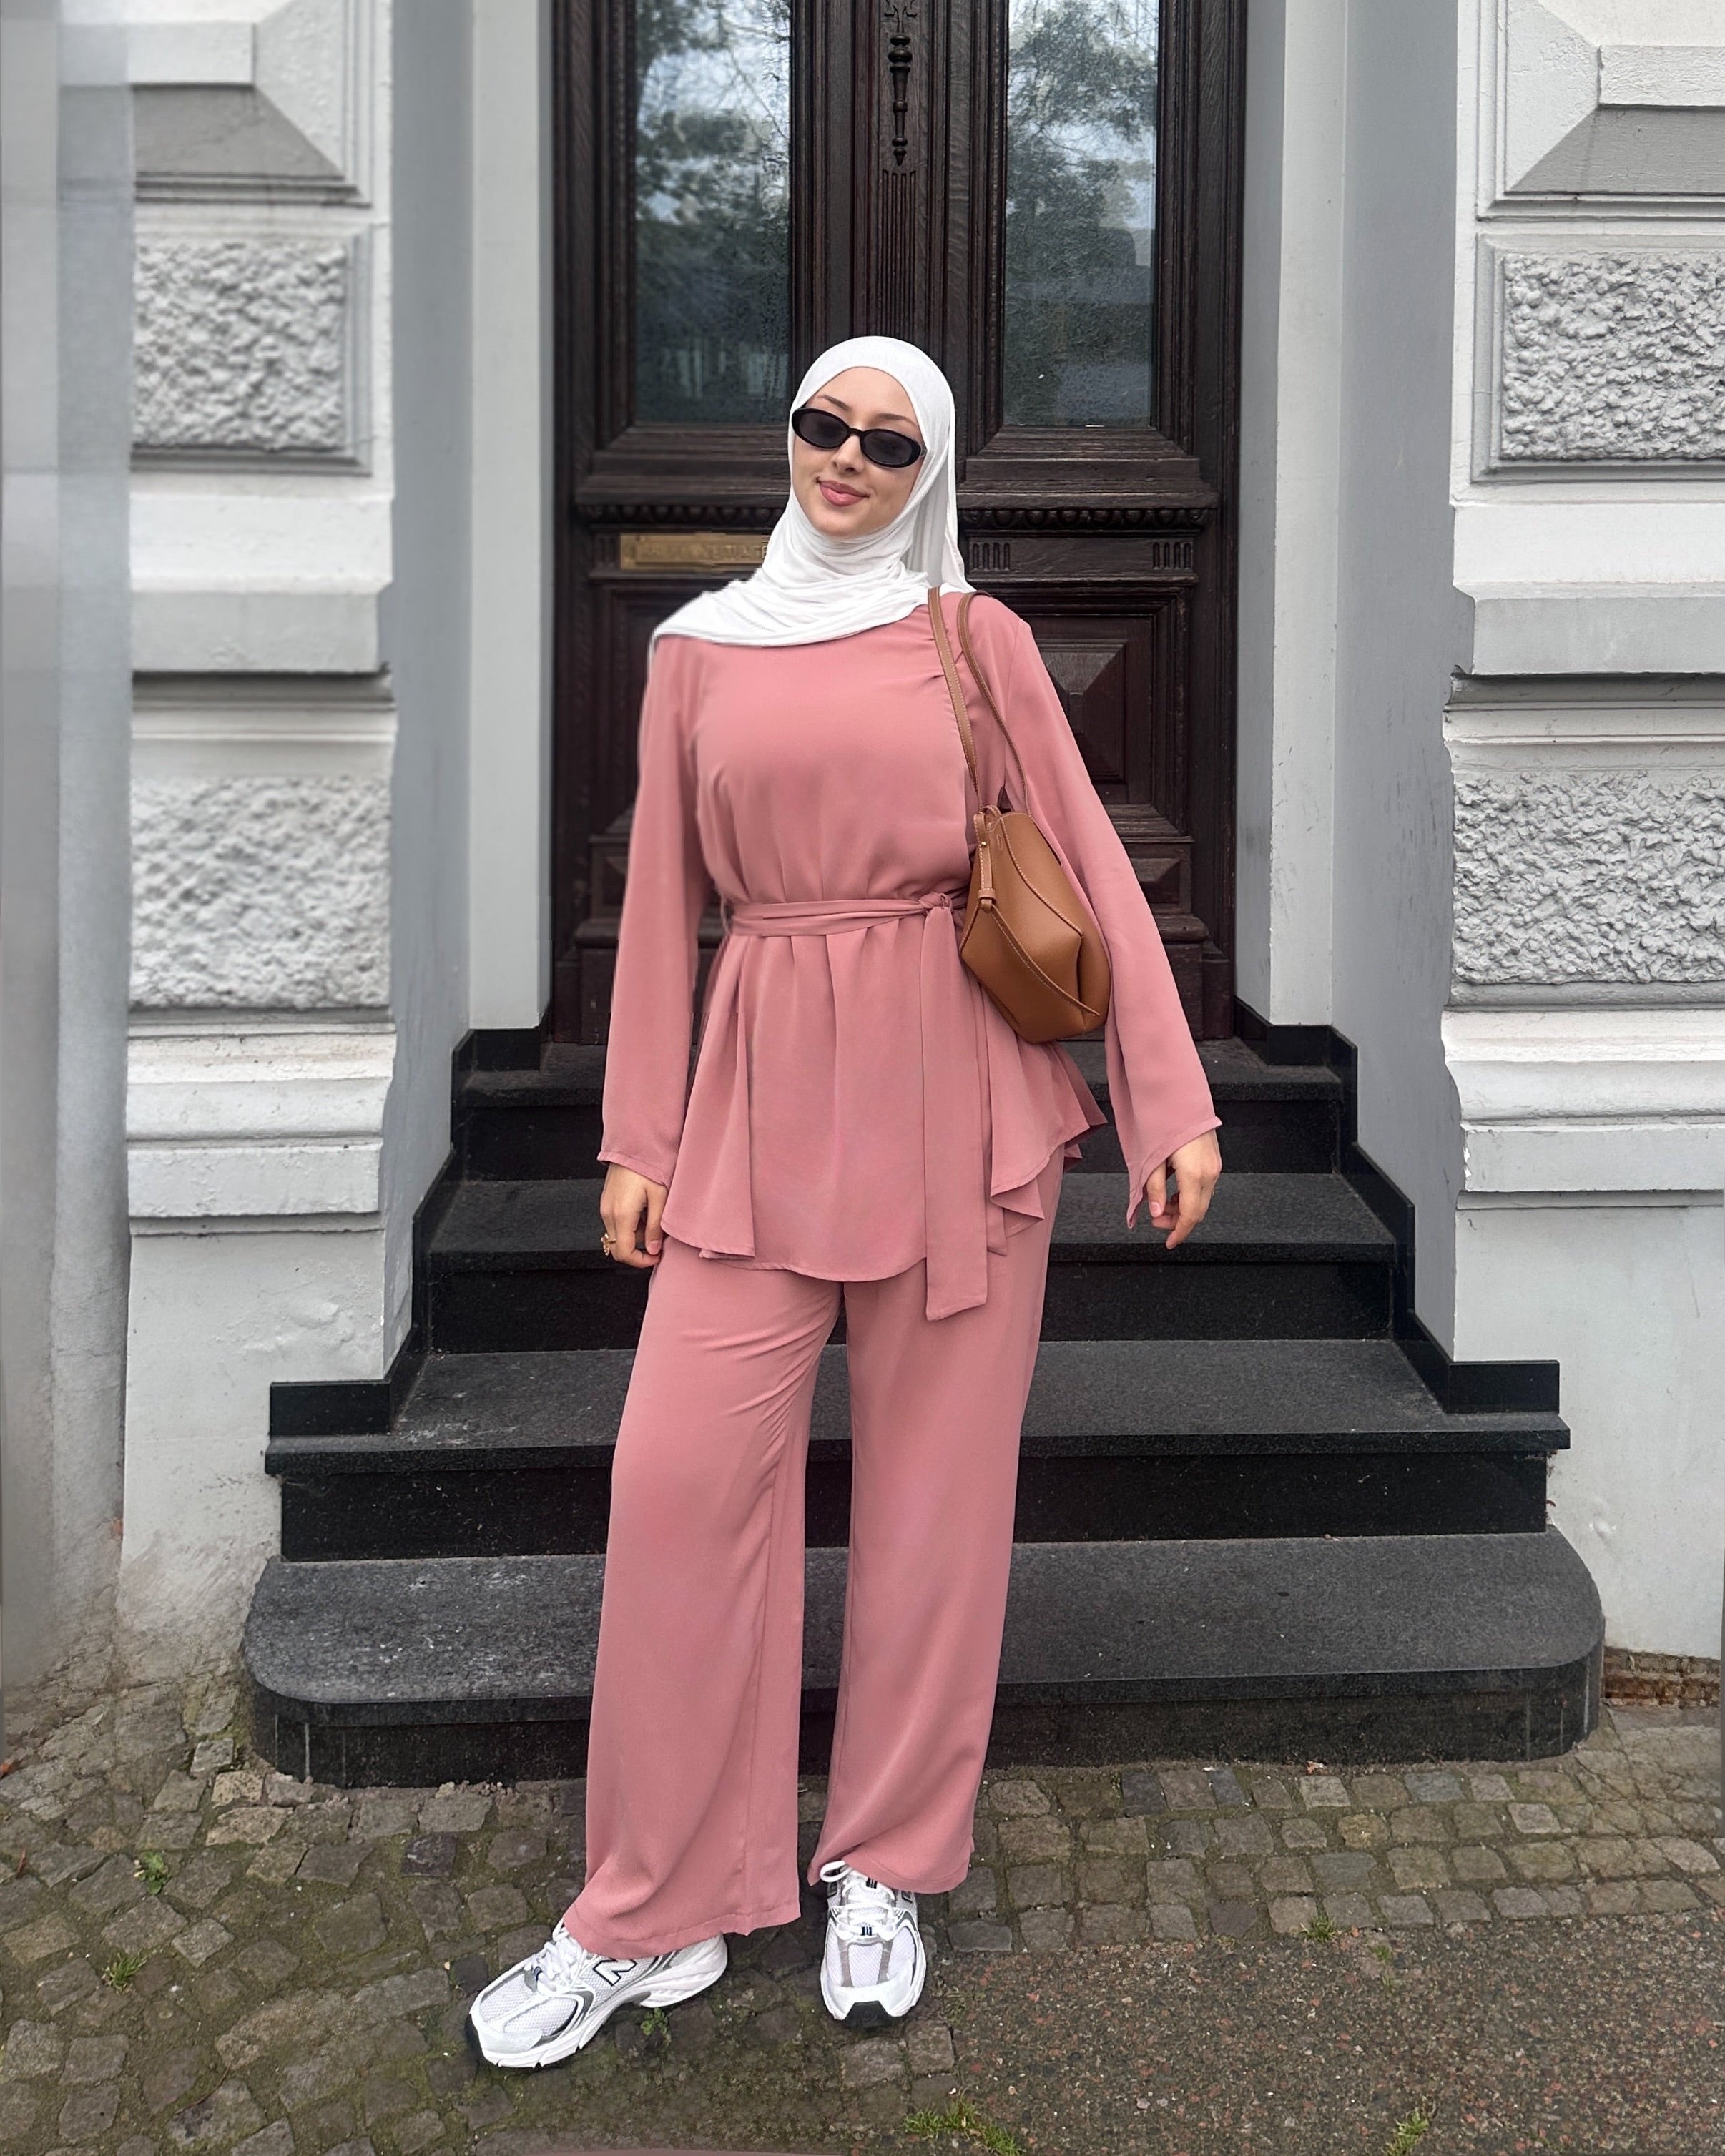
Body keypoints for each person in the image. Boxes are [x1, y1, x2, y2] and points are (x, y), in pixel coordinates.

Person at [467, 335, 1222, 2069]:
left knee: (936, 1515)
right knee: (674, 1484)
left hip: (964, 1099)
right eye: (824, 424)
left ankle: (880, 1857)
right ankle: (647, 1903)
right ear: (786, 434)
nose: (850, 459)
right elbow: (663, 907)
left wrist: (1165, 1092)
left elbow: (1088, 861)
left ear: (929, 468)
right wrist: (637, 1138)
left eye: (890, 441)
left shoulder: (976, 637)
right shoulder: (696, 652)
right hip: (754, 1106)